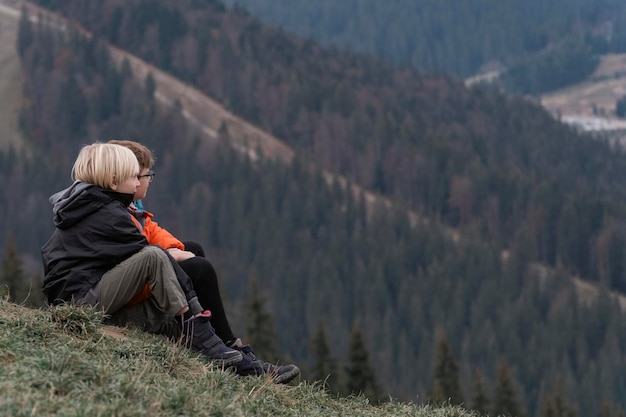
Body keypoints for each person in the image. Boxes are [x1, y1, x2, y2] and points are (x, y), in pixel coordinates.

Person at [107, 139, 300, 384]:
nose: (145, 181)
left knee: (193, 250)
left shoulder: (131, 206)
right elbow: (137, 251)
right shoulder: (118, 211)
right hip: (127, 296)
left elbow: (152, 232)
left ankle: (215, 340)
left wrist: (176, 250)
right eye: (146, 175)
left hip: (132, 278)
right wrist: (172, 256)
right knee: (200, 268)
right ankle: (224, 348)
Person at [41, 142, 243, 368]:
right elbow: (146, 255)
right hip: (81, 302)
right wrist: (177, 257)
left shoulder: (96, 204)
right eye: (133, 176)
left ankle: (208, 339)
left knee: (161, 258)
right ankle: (201, 334)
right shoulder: (106, 213)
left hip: (86, 293)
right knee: (154, 257)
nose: (138, 182)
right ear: (114, 181)